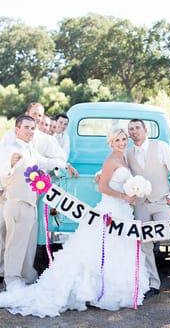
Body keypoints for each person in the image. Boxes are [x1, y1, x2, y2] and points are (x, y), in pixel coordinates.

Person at [0, 128, 149, 316]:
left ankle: (116, 289)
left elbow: (109, 178)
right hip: (110, 209)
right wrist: (123, 196)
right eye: (117, 140)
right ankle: (90, 290)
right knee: (96, 250)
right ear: (111, 142)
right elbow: (103, 186)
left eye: (123, 139)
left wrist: (131, 193)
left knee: (119, 250)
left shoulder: (124, 158)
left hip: (123, 211)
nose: (121, 142)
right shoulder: (112, 159)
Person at [0, 115, 68, 291]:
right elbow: (3, 172)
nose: (30, 131)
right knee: (15, 244)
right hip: (17, 202)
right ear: (17, 129)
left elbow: (47, 161)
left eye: (32, 128)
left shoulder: (31, 150)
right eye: (26, 127)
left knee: (29, 246)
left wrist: (65, 165)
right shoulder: (9, 149)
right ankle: (12, 279)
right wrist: (11, 164)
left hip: (31, 205)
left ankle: (27, 276)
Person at [127, 119, 170, 298]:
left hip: (161, 201)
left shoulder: (160, 146)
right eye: (131, 129)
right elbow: (118, 171)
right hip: (141, 204)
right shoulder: (127, 153)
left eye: (137, 128)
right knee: (144, 244)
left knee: (166, 231)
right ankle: (153, 284)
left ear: (145, 130)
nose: (134, 131)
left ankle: (157, 245)